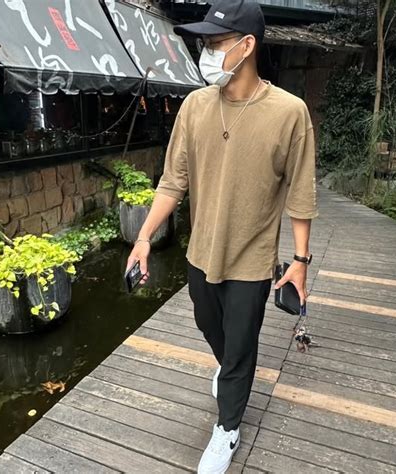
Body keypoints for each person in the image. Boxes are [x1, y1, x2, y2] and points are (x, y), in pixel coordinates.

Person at [125, 0, 319, 472]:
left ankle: (228, 427)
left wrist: (299, 262)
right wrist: (144, 238)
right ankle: (229, 369)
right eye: (204, 43)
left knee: (241, 346)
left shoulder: (290, 112)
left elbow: (300, 193)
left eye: (214, 42)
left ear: (247, 45)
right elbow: (173, 182)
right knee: (211, 328)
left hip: (252, 260)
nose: (205, 52)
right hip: (201, 253)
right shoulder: (195, 106)